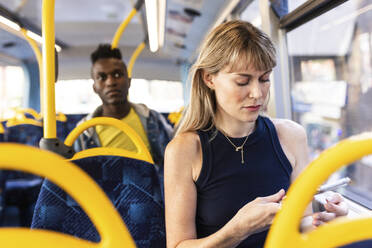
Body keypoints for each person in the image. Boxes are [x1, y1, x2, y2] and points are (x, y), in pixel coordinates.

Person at [164, 20, 348, 248]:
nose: (257, 93)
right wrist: (238, 230)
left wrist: (327, 219)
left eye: (264, 79)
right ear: (209, 78)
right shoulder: (184, 150)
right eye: (243, 81)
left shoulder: (291, 136)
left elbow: (303, 222)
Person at [74, 44, 173, 167]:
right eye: (102, 77)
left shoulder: (152, 118)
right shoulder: (84, 132)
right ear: (95, 87)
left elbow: (173, 160)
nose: (110, 82)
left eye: (117, 75)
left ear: (129, 81)